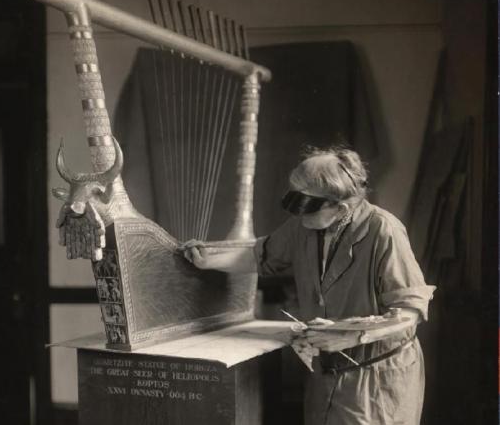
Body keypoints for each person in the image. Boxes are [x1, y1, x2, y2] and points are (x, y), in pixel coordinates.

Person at [183, 146, 435, 425]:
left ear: (340, 208)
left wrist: (353, 335)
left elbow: (410, 312)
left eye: (306, 204)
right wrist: (207, 260)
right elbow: (258, 255)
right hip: (326, 374)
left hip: (375, 378)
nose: (297, 212)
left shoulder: (384, 230)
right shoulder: (303, 226)